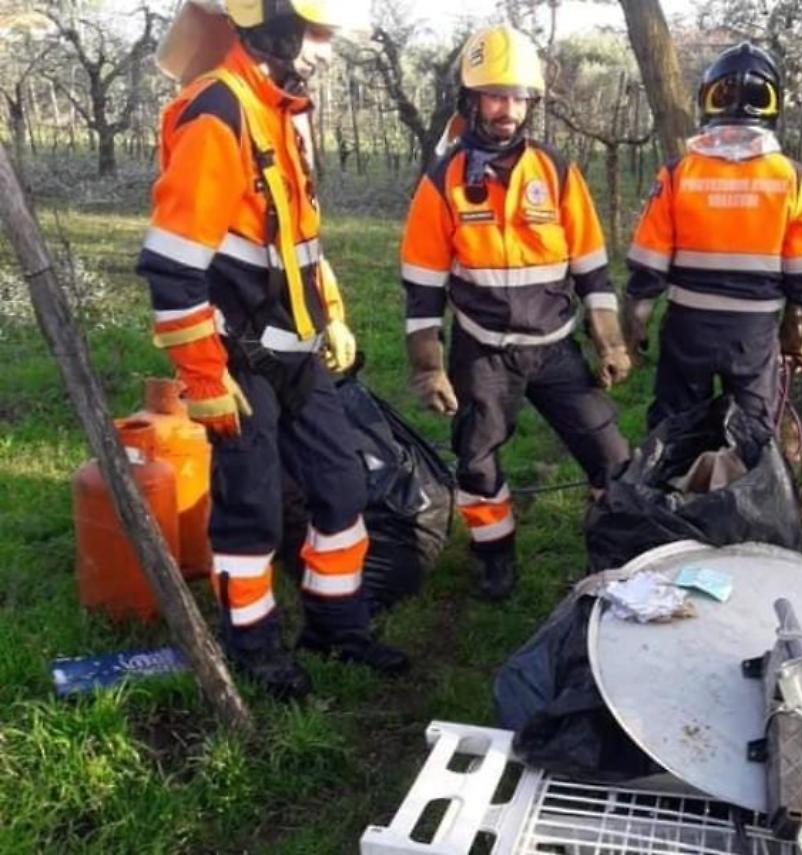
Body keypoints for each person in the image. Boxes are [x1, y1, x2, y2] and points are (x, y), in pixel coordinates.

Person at [138, 0, 407, 701]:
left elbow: (298, 238)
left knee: (343, 486)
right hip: (236, 362)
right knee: (250, 509)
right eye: (317, 32)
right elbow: (171, 266)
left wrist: (335, 317)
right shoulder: (218, 113)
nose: (324, 49)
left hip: (301, 352)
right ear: (275, 21)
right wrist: (203, 376)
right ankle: (252, 646)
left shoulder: (284, 107)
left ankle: (334, 623)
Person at [400, 24, 631, 600]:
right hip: (482, 351)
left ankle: (614, 552)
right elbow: (422, 291)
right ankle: (494, 555)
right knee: (476, 462)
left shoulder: (556, 173)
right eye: (495, 95)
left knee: (612, 457)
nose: (507, 110)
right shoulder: (443, 181)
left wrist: (611, 342)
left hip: (555, 348)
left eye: (518, 97)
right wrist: (429, 366)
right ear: (472, 99)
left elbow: (594, 273)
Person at [623, 43, 802, 433]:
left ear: (708, 99)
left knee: (674, 430)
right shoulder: (793, 178)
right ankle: (748, 490)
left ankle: (670, 491)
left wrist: (631, 335)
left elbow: (646, 271)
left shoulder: (678, 174)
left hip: (688, 327)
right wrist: (798, 340)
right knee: (752, 433)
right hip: (753, 335)